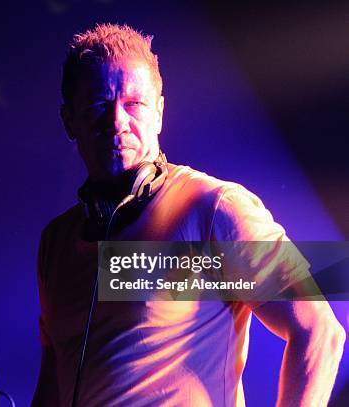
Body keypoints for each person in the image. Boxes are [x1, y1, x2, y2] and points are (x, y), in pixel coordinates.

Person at [32, 24, 345, 406]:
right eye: (99, 104)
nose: (117, 121)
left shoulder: (214, 208)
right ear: (69, 120)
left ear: (159, 113)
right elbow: (53, 379)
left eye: (134, 103)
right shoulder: (56, 242)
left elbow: (319, 331)